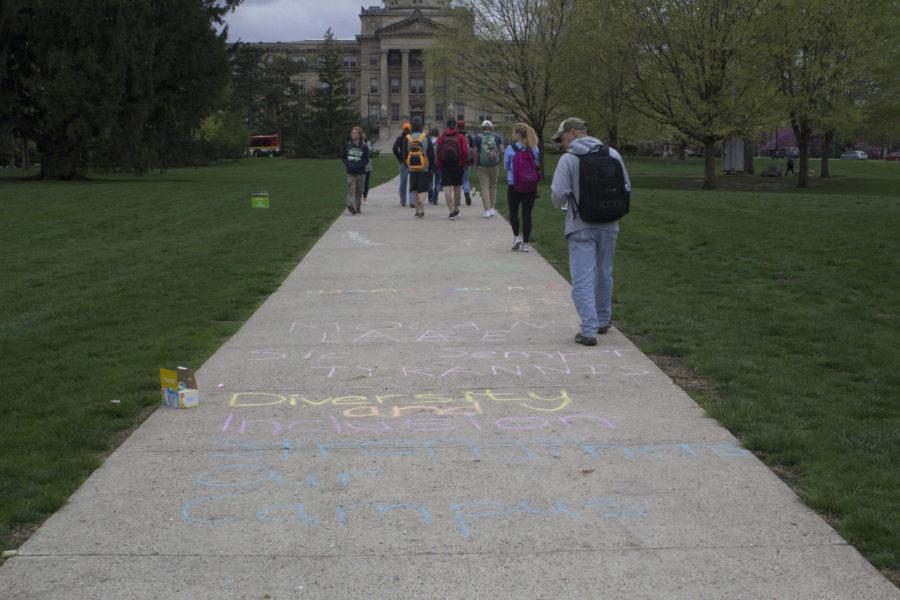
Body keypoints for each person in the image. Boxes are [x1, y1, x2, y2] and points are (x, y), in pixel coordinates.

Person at [550, 117, 631, 347]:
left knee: (582, 277)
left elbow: (557, 195)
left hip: (581, 224)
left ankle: (588, 330)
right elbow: (626, 187)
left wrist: (569, 202)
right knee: (604, 272)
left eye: (562, 137)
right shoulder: (612, 154)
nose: (561, 143)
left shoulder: (569, 159)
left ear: (574, 133)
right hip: (610, 223)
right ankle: (603, 320)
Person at [503, 122, 540, 251]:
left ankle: (516, 237)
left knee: (513, 212)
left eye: (514, 132)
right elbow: (536, 164)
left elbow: (506, 166)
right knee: (527, 214)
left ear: (518, 134)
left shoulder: (510, 148)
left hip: (514, 184)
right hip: (530, 185)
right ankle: (526, 243)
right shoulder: (534, 147)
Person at [401, 117, 435, 218]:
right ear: (421, 126)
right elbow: (431, 154)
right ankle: (421, 204)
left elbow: (404, 155)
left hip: (412, 168)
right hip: (424, 167)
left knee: (415, 189)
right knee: (423, 189)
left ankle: (417, 211)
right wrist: (431, 167)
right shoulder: (426, 137)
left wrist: (408, 165)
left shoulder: (408, 138)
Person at [436, 118, 469, 220]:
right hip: (458, 165)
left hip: (445, 165)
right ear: (455, 126)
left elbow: (438, 152)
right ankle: (455, 209)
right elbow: (465, 152)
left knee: (447, 188)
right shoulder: (460, 137)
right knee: (457, 187)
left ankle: (450, 212)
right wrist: (462, 163)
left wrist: (440, 164)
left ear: (447, 126)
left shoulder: (441, 137)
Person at [474, 120, 504, 218]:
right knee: (493, 186)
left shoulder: (478, 138)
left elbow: (475, 152)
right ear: (491, 128)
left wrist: (476, 163)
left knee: (484, 187)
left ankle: (486, 210)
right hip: (494, 165)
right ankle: (492, 208)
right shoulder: (497, 137)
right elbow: (502, 150)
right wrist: (499, 160)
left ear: (482, 128)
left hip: (482, 165)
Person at [341, 126, 369, 215]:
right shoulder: (348, 145)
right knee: (351, 189)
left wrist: (359, 166)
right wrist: (348, 164)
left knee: (359, 190)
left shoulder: (364, 147)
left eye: (355, 133)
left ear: (359, 135)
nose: (353, 134)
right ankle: (351, 206)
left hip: (360, 172)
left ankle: (357, 207)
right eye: (352, 133)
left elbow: (366, 160)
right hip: (350, 171)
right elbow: (343, 157)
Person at [392, 122, 415, 207]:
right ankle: (412, 201)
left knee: (403, 182)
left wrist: (400, 158)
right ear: (410, 129)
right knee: (412, 181)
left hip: (403, 162)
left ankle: (403, 201)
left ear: (403, 129)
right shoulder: (412, 137)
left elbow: (394, 149)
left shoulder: (400, 138)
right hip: (412, 161)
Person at [458, 120, 474, 206]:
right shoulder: (469, 137)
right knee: (466, 180)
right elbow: (472, 150)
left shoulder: (455, 136)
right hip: (467, 162)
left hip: (457, 162)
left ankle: (458, 200)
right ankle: (467, 193)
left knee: (457, 182)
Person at [427, 127, 441, 205]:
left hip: (430, 163)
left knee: (429, 181)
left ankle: (430, 197)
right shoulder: (440, 140)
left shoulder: (427, 139)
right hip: (438, 163)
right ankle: (435, 198)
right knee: (438, 181)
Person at [362, 130, 373, 204]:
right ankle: (359, 196)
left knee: (366, 183)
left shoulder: (367, 143)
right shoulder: (358, 143)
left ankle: (365, 197)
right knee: (360, 182)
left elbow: (368, 151)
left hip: (368, 166)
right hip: (360, 166)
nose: (363, 137)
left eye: (364, 136)